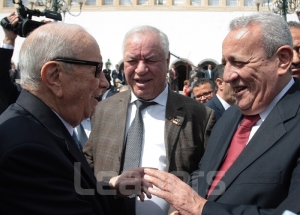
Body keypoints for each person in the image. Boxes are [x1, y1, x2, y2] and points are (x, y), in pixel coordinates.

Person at [144, 12, 300, 215]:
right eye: (225, 63)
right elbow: (204, 174)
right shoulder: (228, 117)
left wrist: (201, 208)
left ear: (282, 60)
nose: (227, 76)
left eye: (239, 63)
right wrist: (182, 209)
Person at [0, 21, 153, 214]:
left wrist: (111, 187)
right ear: (55, 76)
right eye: (96, 70)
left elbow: (67, 188)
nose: (105, 83)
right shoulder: (27, 152)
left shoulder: (41, 128)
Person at [83, 25, 216, 215]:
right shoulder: (104, 109)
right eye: (132, 60)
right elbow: (86, 168)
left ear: (167, 60)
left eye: (151, 59)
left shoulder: (199, 115)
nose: (141, 69)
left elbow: (208, 174)